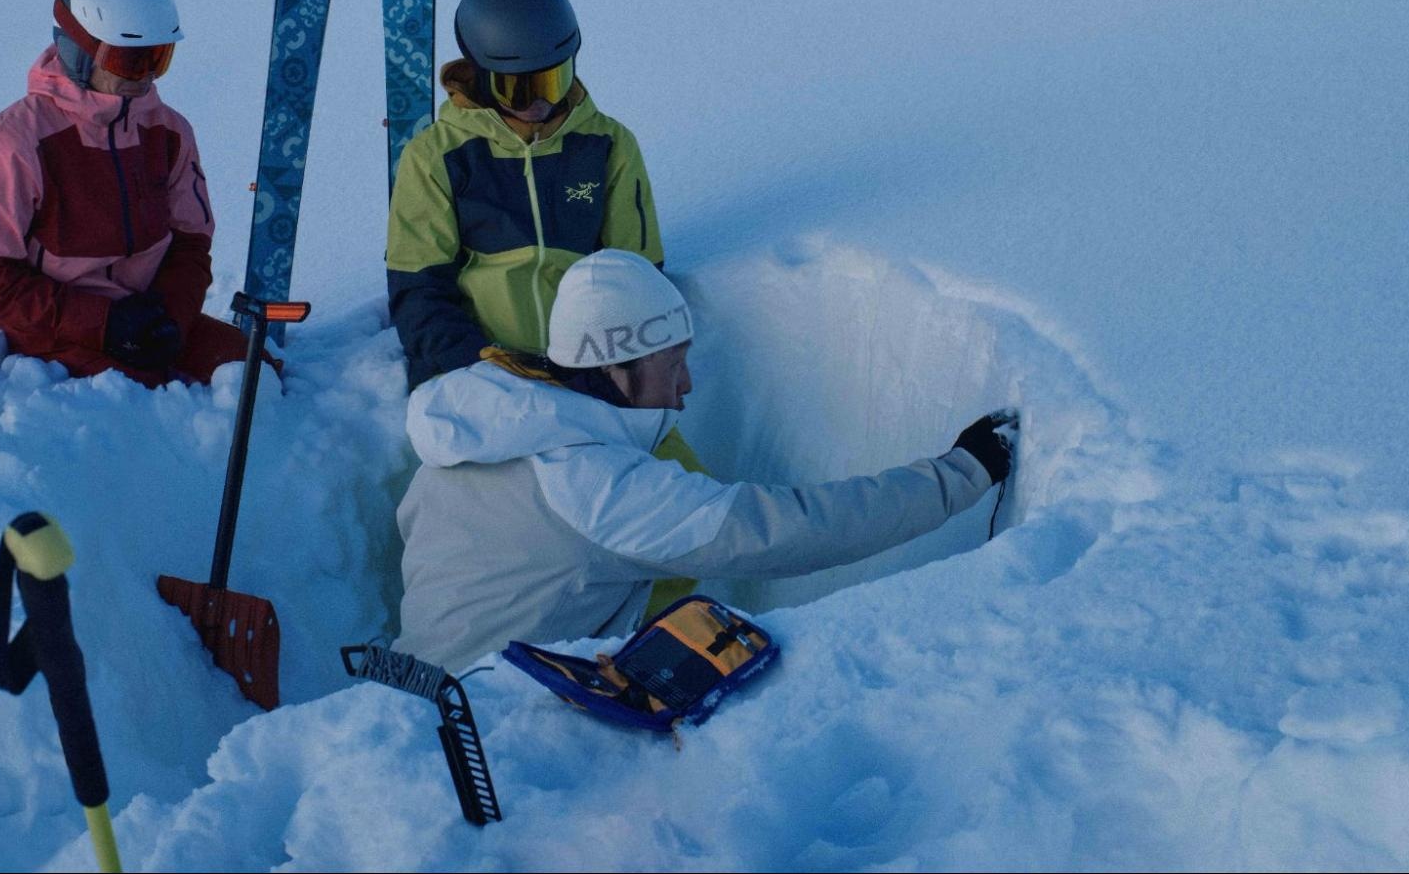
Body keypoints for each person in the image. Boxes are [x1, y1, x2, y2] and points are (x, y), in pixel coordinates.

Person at [393, 249, 1013, 672]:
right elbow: (792, 529)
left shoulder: (482, 418)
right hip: (486, 717)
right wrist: (963, 471)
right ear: (617, 368)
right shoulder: (596, 489)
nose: (686, 386)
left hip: (414, 686)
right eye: (672, 365)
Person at [0, 0, 247, 385]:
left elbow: (191, 242)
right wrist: (104, 323)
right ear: (79, 53)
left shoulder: (168, 132)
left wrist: (171, 317)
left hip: (152, 316)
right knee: (141, 397)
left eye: (158, 60)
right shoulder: (15, 142)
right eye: (131, 61)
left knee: (252, 373)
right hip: (57, 331)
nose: (144, 78)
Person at [386, 0, 663, 390]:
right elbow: (419, 294)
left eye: (554, 81)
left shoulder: (607, 144)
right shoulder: (435, 158)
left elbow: (639, 277)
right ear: (479, 74)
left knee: (665, 459)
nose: (538, 103)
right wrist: (479, 365)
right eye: (517, 88)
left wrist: (612, 374)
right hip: (478, 378)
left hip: (589, 375)